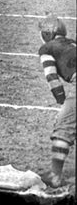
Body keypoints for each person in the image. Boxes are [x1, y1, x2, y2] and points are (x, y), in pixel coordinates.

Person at [37, 16, 75, 189]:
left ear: (47, 34)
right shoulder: (73, 42)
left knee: (63, 128)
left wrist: (61, 101)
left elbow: (52, 78)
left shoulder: (47, 48)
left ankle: (55, 176)